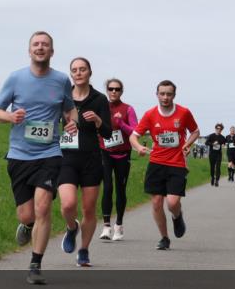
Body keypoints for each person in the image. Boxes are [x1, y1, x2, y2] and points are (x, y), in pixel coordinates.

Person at [0, 31, 78, 285]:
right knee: (26, 214)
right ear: (29, 50)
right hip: (19, 155)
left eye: (45, 45)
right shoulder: (16, 78)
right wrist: (10, 117)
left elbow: (69, 108)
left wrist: (71, 122)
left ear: (52, 52)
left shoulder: (61, 80)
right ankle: (27, 226)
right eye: (36, 44)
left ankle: (35, 264)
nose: (40, 48)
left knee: (43, 207)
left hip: (49, 153)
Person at [129, 80, 200, 250]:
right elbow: (133, 136)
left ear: (174, 95)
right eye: (162, 93)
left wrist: (187, 144)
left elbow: (196, 131)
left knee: (173, 203)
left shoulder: (183, 113)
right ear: (157, 94)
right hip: (156, 162)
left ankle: (177, 216)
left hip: (177, 163)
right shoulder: (150, 114)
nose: (165, 97)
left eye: (169, 94)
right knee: (156, 202)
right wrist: (138, 147)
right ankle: (164, 238)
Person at [57, 58, 112, 266]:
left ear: (90, 72)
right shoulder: (63, 97)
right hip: (67, 158)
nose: (78, 73)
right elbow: (52, 123)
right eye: (74, 70)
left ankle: (84, 250)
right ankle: (72, 227)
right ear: (71, 74)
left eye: (82, 69)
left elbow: (108, 133)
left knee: (89, 209)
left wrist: (98, 120)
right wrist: (65, 127)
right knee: (68, 204)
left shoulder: (99, 99)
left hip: (91, 159)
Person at [100, 78, 137, 241]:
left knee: (120, 189)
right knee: (107, 187)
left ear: (121, 91)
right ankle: (106, 226)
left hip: (123, 154)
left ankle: (119, 225)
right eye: (110, 88)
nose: (113, 91)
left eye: (117, 89)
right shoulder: (101, 107)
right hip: (105, 152)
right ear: (107, 90)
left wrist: (121, 123)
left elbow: (135, 132)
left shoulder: (128, 109)